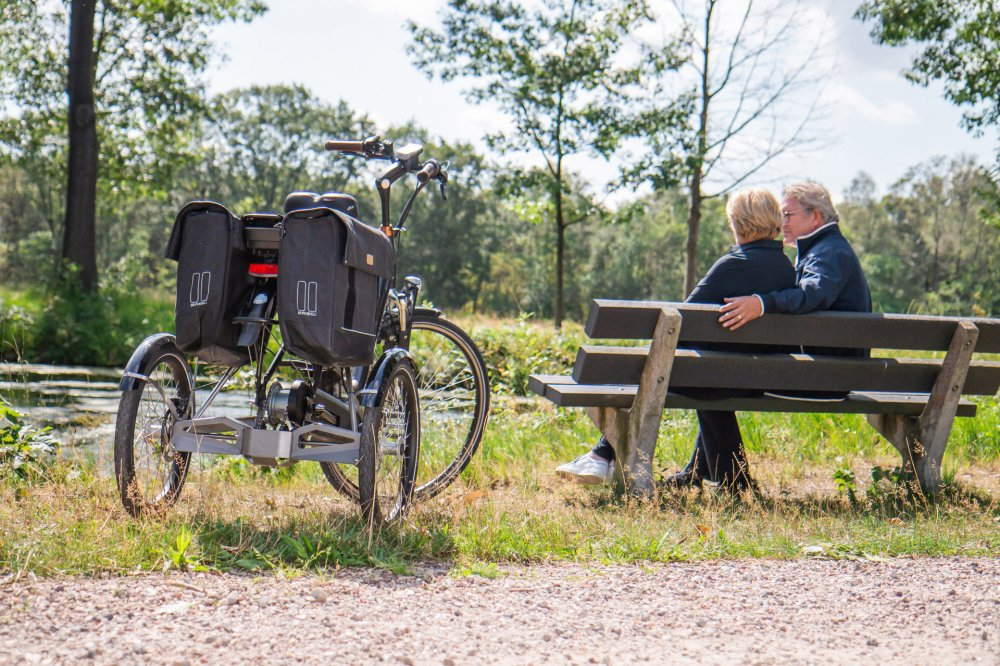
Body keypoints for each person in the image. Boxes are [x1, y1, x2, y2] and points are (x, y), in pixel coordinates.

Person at [555, 187, 796, 490]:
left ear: (739, 224)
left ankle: (602, 455)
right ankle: (718, 476)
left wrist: (650, 356)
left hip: (713, 379)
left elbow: (682, 322)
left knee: (653, 367)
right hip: (757, 379)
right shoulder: (789, 270)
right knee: (695, 372)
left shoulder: (732, 264)